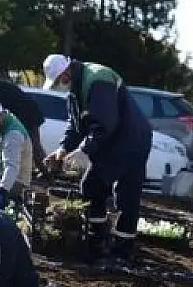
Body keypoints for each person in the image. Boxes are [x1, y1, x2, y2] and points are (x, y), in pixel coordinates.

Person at [41, 54, 153, 263]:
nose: (59, 85)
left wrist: (85, 150)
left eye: (58, 81)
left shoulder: (97, 80)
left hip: (130, 138)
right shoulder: (76, 89)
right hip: (115, 138)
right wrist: (63, 149)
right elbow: (76, 125)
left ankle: (120, 250)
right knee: (94, 186)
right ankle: (97, 240)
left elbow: (104, 123)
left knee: (119, 190)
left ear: (66, 73)